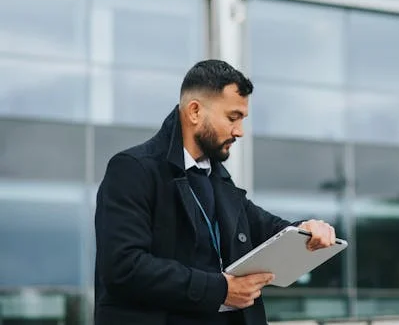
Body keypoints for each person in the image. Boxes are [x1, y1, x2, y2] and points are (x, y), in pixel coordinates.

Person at [94, 59, 337, 325]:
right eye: (232, 118)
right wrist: (221, 290)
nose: (240, 131)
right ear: (195, 112)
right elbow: (124, 267)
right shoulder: (133, 170)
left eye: (242, 119)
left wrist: (308, 230)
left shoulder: (218, 179)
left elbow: (266, 228)